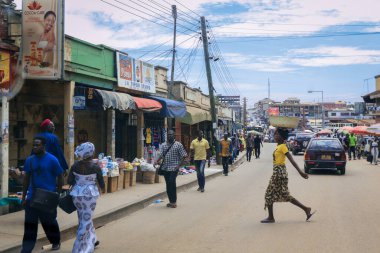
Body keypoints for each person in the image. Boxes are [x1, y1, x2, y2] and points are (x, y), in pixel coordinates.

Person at [261, 128, 315, 223]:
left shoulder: (283, 147)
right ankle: (306, 209)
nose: (275, 136)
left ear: (282, 137)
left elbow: (292, 160)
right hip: (278, 172)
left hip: (279, 173)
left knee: (269, 195)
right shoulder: (279, 146)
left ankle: (271, 217)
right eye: (275, 134)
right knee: (284, 195)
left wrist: (300, 172)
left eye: (277, 134)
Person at [21, 136, 64, 252]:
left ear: (43, 146)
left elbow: (60, 176)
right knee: (30, 225)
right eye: (34, 145)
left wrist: (57, 195)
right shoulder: (30, 160)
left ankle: (55, 241)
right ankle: (26, 249)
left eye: (37, 145)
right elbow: (26, 179)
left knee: (49, 222)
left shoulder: (52, 160)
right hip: (32, 197)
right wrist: (23, 197)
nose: (35, 147)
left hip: (48, 197)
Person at [68, 142, 105, 252]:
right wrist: (102, 190)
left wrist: (79, 181)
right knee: (86, 220)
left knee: (83, 218)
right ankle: (80, 248)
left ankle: (93, 239)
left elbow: (69, 181)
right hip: (90, 196)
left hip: (77, 196)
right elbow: (101, 183)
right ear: (91, 153)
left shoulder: (75, 165)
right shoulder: (95, 167)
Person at [155, 130, 187, 208]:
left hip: (174, 168)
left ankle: (174, 202)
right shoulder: (163, 145)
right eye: (168, 135)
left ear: (174, 136)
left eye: (171, 135)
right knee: (168, 184)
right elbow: (161, 155)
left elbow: (184, 155)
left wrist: (178, 166)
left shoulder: (178, 145)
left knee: (171, 182)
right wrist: (156, 161)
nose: (169, 136)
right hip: (166, 168)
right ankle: (171, 201)